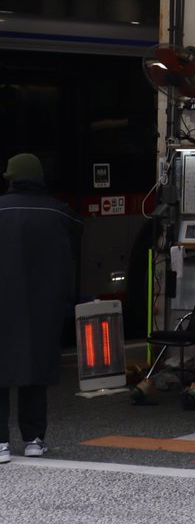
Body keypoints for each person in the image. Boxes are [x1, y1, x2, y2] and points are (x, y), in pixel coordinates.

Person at [0, 153, 80, 463]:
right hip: (43, 305)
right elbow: (76, 240)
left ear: (11, 178)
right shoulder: (59, 212)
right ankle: (33, 439)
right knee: (36, 369)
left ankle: (1, 444)